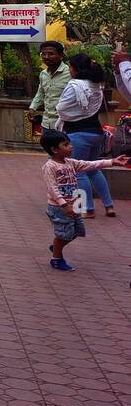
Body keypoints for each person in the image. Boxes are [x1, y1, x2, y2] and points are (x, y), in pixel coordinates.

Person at [40, 128, 127, 270]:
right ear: (54, 149)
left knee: (76, 232)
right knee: (65, 234)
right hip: (59, 208)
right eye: (66, 145)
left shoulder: (70, 162)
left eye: (69, 143)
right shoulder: (50, 167)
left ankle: (57, 246)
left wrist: (112, 162)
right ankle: (56, 258)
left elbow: (90, 164)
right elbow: (52, 189)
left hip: (74, 204)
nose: (71, 147)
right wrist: (64, 205)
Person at [54, 53, 116, 217]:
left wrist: (68, 114)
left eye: (70, 67)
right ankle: (109, 206)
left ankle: (87, 209)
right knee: (94, 169)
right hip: (96, 132)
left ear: (76, 68)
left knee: (78, 171)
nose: (69, 69)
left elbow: (61, 108)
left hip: (77, 133)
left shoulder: (75, 85)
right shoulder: (96, 85)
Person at [29, 40, 70, 132]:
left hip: (64, 124)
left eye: (51, 54)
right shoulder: (43, 74)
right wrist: (33, 107)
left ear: (60, 55)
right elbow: (41, 93)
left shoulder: (70, 73)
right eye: (43, 54)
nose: (46, 57)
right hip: (46, 124)